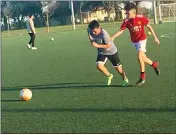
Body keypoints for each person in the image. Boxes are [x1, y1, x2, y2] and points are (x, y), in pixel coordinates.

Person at [111, 3, 160, 86]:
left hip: (142, 40)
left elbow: (149, 27)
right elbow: (121, 30)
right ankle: (154, 64)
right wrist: (113, 37)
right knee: (143, 58)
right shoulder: (126, 21)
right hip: (134, 42)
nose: (126, 15)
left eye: (127, 13)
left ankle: (142, 78)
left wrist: (155, 37)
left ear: (133, 12)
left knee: (139, 57)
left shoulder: (141, 18)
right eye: (125, 13)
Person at [87, 20, 129, 86]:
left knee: (118, 69)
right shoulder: (90, 30)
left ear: (99, 28)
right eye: (92, 31)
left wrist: (97, 45)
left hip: (111, 51)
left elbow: (108, 46)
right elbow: (89, 35)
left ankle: (125, 79)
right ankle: (109, 75)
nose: (93, 32)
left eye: (95, 31)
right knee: (99, 66)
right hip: (101, 52)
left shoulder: (104, 34)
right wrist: (92, 41)